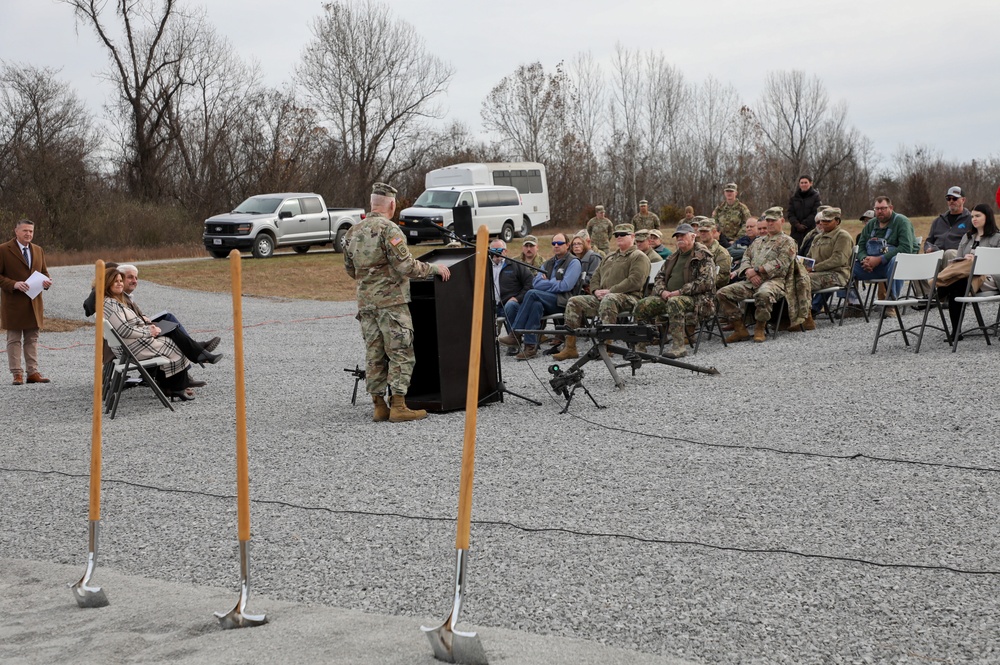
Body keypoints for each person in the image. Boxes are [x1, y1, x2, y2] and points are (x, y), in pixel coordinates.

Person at [344, 182, 451, 422]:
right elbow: (406, 266)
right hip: (391, 304)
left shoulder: (352, 232)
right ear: (391, 204)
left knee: (374, 353)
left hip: (366, 305)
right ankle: (400, 406)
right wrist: (434, 268)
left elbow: (350, 270)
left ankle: (379, 405)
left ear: (372, 204)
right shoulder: (388, 230)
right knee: (401, 352)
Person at [553, 224, 650, 360]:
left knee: (609, 299)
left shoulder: (638, 256)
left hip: (629, 298)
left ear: (633, 237)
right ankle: (570, 348)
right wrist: (595, 290)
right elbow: (595, 276)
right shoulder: (610, 256)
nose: (619, 237)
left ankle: (606, 347)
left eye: (623, 234)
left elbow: (635, 281)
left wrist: (610, 291)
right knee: (574, 301)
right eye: (617, 235)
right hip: (604, 297)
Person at [103, 268, 199, 401]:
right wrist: (149, 331)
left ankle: (174, 382)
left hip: (129, 345)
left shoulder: (114, 301)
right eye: (116, 282)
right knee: (174, 342)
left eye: (120, 281)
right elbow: (124, 330)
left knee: (171, 333)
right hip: (132, 349)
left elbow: (127, 325)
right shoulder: (111, 304)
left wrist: (146, 324)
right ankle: (177, 384)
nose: (120, 284)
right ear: (107, 284)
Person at [632, 224, 717, 359]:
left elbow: (707, 282)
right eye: (677, 236)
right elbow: (659, 277)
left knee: (675, 302)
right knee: (642, 305)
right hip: (669, 296)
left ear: (693, 236)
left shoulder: (702, 256)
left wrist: (680, 291)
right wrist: (662, 292)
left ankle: (679, 346)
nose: (679, 238)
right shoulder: (673, 257)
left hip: (698, 300)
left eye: (683, 235)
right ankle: (641, 346)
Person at [717, 207, 797, 343]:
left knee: (764, 294)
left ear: (782, 221)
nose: (770, 223)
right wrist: (749, 271)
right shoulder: (758, 241)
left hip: (774, 281)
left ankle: (760, 328)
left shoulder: (787, 241)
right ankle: (740, 328)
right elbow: (745, 257)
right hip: (751, 281)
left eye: (773, 220)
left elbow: (781, 263)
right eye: (768, 220)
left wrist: (758, 270)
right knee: (722, 293)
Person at [117, 264, 223, 364]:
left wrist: (143, 317)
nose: (134, 281)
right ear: (120, 279)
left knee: (168, 319)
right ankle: (197, 350)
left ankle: (197, 350)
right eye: (130, 277)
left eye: (136, 278)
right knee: (172, 330)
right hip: (136, 340)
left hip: (136, 335)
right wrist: (145, 323)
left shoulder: (125, 297)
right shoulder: (119, 298)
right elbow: (127, 324)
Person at [499, 233, 581, 360]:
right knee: (535, 304)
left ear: (567, 245)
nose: (556, 246)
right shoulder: (549, 263)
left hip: (564, 301)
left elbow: (566, 285)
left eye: (560, 243)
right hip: (547, 300)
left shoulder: (573, 262)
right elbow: (536, 283)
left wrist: (547, 282)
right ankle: (530, 347)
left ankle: (515, 333)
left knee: (532, 294)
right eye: (554, 244)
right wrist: (554, 282)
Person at [935, 204, 1000, 337]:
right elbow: (957, 260)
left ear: (987, 217)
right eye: (972, 216)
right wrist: (965, 259)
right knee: (958, 284)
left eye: (978, 216)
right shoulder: (967, 237)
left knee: (956, 283)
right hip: (967, 277)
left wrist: (976, 259)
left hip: (989, 277)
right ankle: (956, 331)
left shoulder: (997, 237)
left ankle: (937, 291)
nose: (974, 219)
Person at [0, 219, 52, 385]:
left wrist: (47, 282)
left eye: (30, 231)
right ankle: (17, 373)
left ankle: (32, 372)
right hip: (13, 303)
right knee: (14, 339)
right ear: (16, 231)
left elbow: (44, 272)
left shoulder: (38, 250)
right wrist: (13, 284)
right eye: (25, 231)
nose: (28, 234)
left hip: (34, 302)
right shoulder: (3, 249)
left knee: (32, 339)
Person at [853, 195, 917, 298]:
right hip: (872, 267)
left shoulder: (901, 222)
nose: (880, 211)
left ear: (891, 208)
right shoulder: (871, 224)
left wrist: (879, 259)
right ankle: (853, 304)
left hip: (895, 267)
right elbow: (860, 247)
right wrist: (865, 259)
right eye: (877, 209)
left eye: (883, 208)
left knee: (896, 260)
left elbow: (906, 249)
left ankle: (891, 302)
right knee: (848, 266)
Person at [804, 207, 853, 326]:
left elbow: (838, 260)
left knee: (803, 280)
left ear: (837, 221)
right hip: (817, 273)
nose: (823, 223)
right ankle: (787, 315)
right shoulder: (817, 237)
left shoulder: (843, 236)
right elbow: (809, 257)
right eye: (821, 221)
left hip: (837, 275)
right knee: (793, 278)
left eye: (827, 221)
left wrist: (814, 268)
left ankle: (806, 317)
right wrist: (803, 267)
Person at [490, 239, 533, 335]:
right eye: (493, 251)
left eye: (499, 251)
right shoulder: (485, 267)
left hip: (509, 303)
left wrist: (518, 298)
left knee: (511, 306)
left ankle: (513, 339)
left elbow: (529, 283)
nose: (496, 254)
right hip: (492, 305)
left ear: (505, 251)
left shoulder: (515, 265)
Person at [925, 186, 972, 260]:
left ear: (963, 200)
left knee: (949, 253)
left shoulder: (970, 219)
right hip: (937, 255)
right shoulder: (938, 221)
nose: (951, 201)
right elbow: (928, 241)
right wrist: (928, 248)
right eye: (948, 198)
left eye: (955, 198)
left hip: (958, 256)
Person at [786, 175, 822, 250]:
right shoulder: (794, 198)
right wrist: (797, 224)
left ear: (811, 183)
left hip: (810, 229)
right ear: (799, 184)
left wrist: (804, 224)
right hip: (796, 231)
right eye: (802, 183)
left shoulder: (816, 197)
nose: (803, 184)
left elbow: (816, 212)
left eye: (806, 182)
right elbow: (790, 213)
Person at [695, 219, 732, 289]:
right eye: (701, 231)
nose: (702, 233)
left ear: (714, 232)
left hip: (711, 290)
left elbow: (723, 277)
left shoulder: (721, 253)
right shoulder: (695, 249)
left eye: (706, 231)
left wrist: (702, 282)